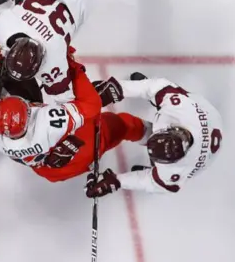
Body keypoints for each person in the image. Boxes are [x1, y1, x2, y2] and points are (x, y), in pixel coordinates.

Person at [0, 39, 146, 182]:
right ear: (29, 114)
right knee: (121, 124)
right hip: (76, 154)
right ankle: (153, 137)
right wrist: (71, 66)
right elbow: (91, 106)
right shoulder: (48, 124)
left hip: (49, 169)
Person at [85, 73, 224, 197]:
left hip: (203, 155)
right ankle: (153, 102)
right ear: (172, 129)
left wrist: (117, 181)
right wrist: (119, 89)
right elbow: (158, 86)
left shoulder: (175, 172)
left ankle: (151, 154)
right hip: (206, 111)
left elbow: (154, 183)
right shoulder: (181, 108)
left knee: (143, 129)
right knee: (158, 95)